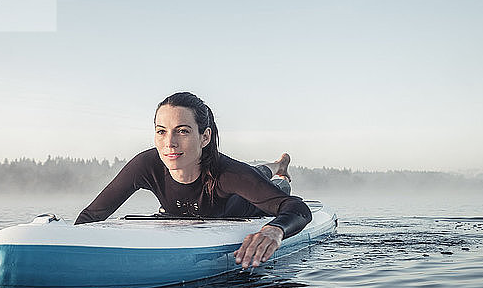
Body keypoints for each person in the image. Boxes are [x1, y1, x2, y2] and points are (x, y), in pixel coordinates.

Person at [74, 92, 312, 268]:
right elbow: (93, 215)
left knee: (264, 177)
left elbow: (297, 208)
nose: (170, 143)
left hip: (248, 201)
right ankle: (278, 165)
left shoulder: (227, 173)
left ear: (205, 136)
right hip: (237, 182)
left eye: (183, 130)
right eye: (161, 131)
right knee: (257, 171)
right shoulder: (146, 165)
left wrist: (275, 230)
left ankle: (280, 168)